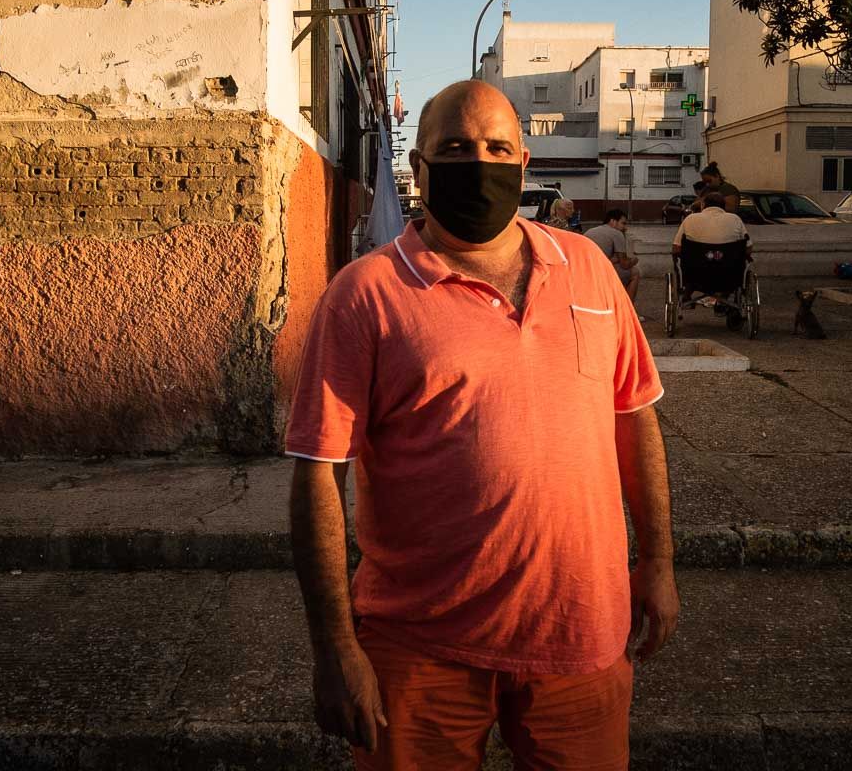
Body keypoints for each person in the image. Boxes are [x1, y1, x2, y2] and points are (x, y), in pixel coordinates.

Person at [285, 80, 678, 771]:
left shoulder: (588, 268)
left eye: (498, 147)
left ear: (525, 164)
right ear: (420, 168)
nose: (479, 162)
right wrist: (335, 648)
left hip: (581, 638)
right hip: (418, 650)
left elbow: (635, 421)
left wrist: (660, 562)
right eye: (457, 148)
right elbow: (319, 473)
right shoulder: (364, 295)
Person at [671, 191, 751, 306]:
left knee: (683, 259)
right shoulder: (735, 219)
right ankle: (724, 299)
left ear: (703, 205)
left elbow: (676, 248)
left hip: (696, 274)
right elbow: (748, 248)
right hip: (729, 275)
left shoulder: (690, 219)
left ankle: (687, 293)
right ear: (723, 206)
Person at [586, 208, 642, 305]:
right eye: (623, 223)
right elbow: (624, 264)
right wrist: (634, 260)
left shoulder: (590, 231)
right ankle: (628, 310)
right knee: (635, 272)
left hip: (585, 270)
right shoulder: (616, 233)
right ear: (613, 221)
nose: (625, 227)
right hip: (599, 272)